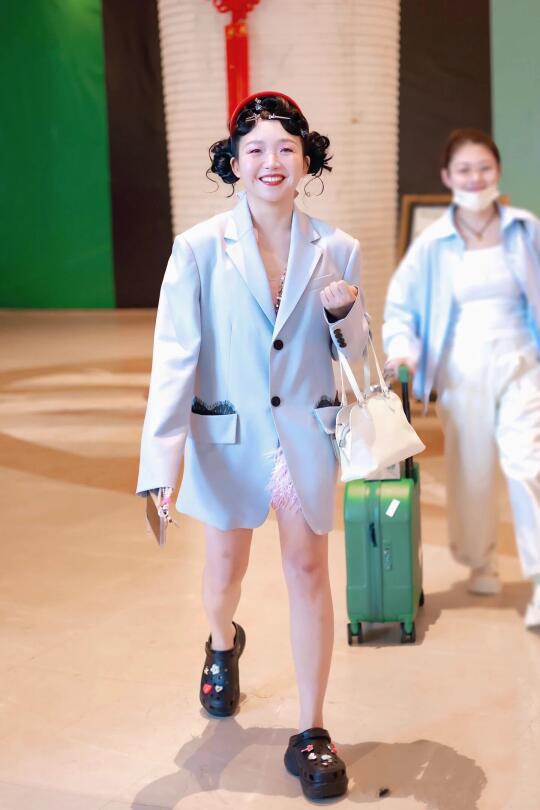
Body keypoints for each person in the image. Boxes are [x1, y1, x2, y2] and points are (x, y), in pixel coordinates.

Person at [136, 91, 369, 800]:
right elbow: (174, 358)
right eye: (256, 148)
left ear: (307, 161)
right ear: (234, 163)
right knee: (222, 575)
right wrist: (160, 464)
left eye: (286, 148)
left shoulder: (338, 248)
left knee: (308, 571)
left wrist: (347, 315)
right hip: (228, 437)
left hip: (304, 436)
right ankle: (221, 641)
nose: (272, 161)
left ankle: (312, 730)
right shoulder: (199, 249)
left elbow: (359, 358)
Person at [383, 128, 540, 629]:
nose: (476, 178)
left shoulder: (525, 230)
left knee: (527, 465)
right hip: (462, 370)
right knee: (471, 473)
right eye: (465, 170)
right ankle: (481, 561)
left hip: (522, 363)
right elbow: (401, 309)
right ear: (447, 177)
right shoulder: (432, 244)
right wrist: (403, 351)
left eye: (484, 168)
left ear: (498, 171)